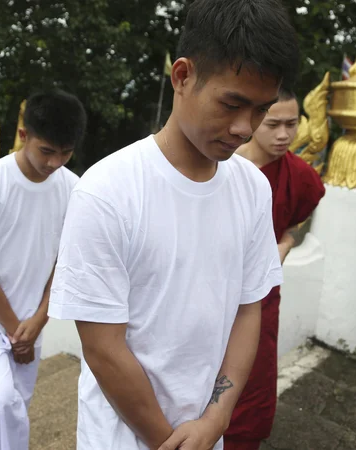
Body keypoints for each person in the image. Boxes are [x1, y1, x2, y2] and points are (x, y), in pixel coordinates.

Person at [46, 1, 299, 449]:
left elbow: (247, 308)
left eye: (260, 110)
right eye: (232, 103)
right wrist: (169, 440)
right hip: (122, 436)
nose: (245, 128)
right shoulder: (107, 191)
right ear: (182, 76)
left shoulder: (252, 188)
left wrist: (216, 419)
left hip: (204, 431)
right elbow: (103, 348)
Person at [0, 89, 85, 449]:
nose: (56, 162)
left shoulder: (75, 190)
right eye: (47, 151)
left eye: (66, 152)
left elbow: (64, 265)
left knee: (8, 414)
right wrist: (16, 332)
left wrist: (38, 321)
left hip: (32, 320)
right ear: (25, 136)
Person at [227, 90, 326, 450]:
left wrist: (285, 243)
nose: (284, 135)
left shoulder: (299, 176)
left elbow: (295, 220)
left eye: (292, 124)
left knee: (252, 386)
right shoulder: (222, 166)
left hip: (261, 296)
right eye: (273, 124)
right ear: (254, 121)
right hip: (212, 290)